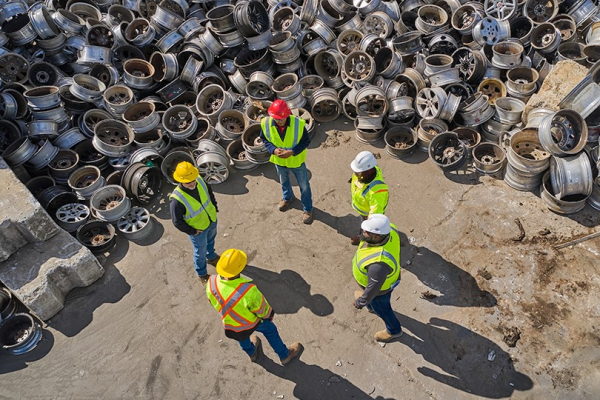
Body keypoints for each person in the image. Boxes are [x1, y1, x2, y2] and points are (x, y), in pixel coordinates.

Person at [206, 249, 302, 364]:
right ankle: (284, 355)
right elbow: (262, 310)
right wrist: (268, 317)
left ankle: (252, 353)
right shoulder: (248, 291)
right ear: (240, 269)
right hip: (252, 322)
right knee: (270, 330)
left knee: (242, 337)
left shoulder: (211, 282)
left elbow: (212, 301)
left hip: (231, 323)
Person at [260, 99, 314, 224]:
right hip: (279, 161)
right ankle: (288, 198)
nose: (279, 121)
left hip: (296, 161)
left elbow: (306, 141)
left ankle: (308, 209)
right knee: (283, 181)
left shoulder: (298, 124)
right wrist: (273, 150)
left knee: (304, 186)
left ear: (287, 115)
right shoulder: (266, 123)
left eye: (281, 118)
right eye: (276, 118)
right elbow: (264, 139)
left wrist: (292, 152)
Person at [352, 214, 403, 343]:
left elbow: (373, 288)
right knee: (371, 299)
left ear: (377, 236)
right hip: (375, 284)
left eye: (367, 232)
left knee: (384, 310)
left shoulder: (378, 265)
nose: (363, 232)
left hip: (379, 292)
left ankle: (394, 330)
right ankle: (370, 305)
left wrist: (361, 301)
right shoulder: (390, 229)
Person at [170, 161, 219, 286]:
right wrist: (192, 231)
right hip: (198, 230)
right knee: (200, 252)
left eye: (193, 180)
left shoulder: (199, 180)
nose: (192, 183)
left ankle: (211, 256)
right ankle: (202, 274)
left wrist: (214, 207)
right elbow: (177, 222)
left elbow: (210, 194)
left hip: (211, 220)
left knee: (211, 240)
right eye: (188, 182)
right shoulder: (177, 200)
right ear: (180, 181)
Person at [349, 151, 389, 245]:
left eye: (358, 173)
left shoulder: (377, 192)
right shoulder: (362, 175)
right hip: (363, 208)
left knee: (367, 229)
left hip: (368, 214)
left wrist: (368, 226)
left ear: (368, 172)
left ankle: (362, 239)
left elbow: (374, 218)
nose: (355, 175)